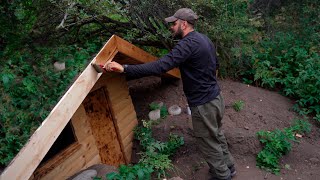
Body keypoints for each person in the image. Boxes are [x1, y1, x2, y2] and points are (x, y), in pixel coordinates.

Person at [104, 8, 236, 180]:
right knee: (216, 134)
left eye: (174, 24)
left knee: (208, 141)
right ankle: (229, 167)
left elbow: (161, 66)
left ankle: (222, 175)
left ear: (184, 24)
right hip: (216, 98)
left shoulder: (187, 44)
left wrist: (125, 68)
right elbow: (216, 65)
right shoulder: (204, 39)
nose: (171, 27)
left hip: (204, 104)